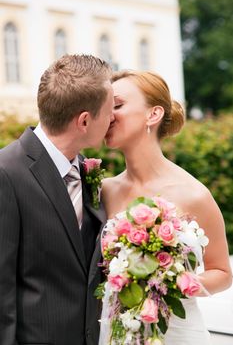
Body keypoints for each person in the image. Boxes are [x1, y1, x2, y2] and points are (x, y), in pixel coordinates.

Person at [102, 70, 232, 344]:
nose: (108, 115)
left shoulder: (194, 194)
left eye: (117, 105)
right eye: (104, 108)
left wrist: (173, 280)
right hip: (114, 333)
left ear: (153, 114)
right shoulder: (105, 192)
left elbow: (222, 273)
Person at [0, 54, 114, 345]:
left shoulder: (86, 169)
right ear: (85, 121)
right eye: (110, 108)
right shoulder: (6, 172)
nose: (113, 117)